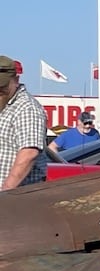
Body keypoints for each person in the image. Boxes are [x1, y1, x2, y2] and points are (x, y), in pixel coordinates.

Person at [0, 55, 49, 189]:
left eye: (3, 87)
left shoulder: (27, 108)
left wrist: (5, 193)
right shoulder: (3, 106)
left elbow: (29, 153)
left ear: (16, 80)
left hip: (15, 200)